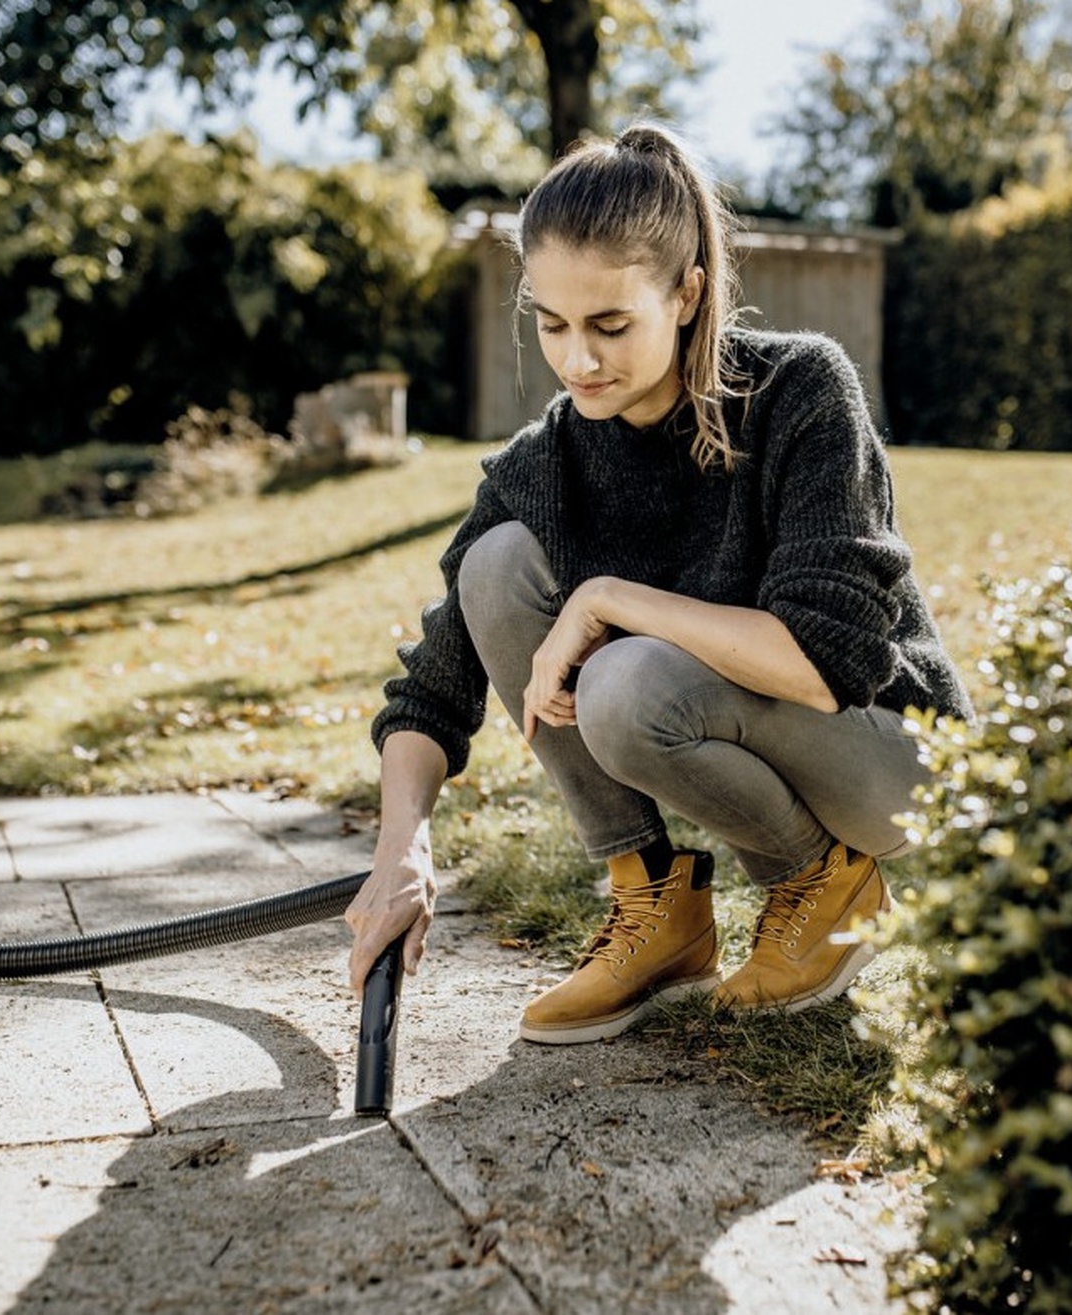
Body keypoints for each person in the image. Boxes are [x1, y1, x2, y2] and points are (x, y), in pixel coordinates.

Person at [343, 122, 972, 1045]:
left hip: (887, 753)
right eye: (551, 324)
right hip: (732, 710)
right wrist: (402, 846)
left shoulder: (800, 390)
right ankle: (656, 902)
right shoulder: (548, 460)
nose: (577, 361)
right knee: (495, 564)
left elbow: (822, 664)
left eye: (610, 325)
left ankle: (824, 882)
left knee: (624, 681)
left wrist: (608, 599)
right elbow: (433, 686)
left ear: (687, 294)